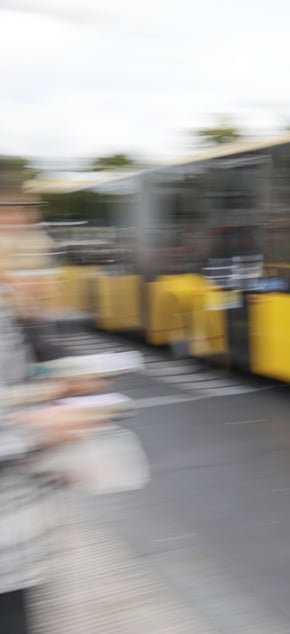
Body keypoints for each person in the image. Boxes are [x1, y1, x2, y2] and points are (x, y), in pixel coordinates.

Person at [0, 174, 109, 632]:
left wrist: (63, 387)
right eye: (9, 225)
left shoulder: (16, 302)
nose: (24, 236)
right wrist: (37, 430)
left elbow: (35, 362)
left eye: (26, 224)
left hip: (18, 538)